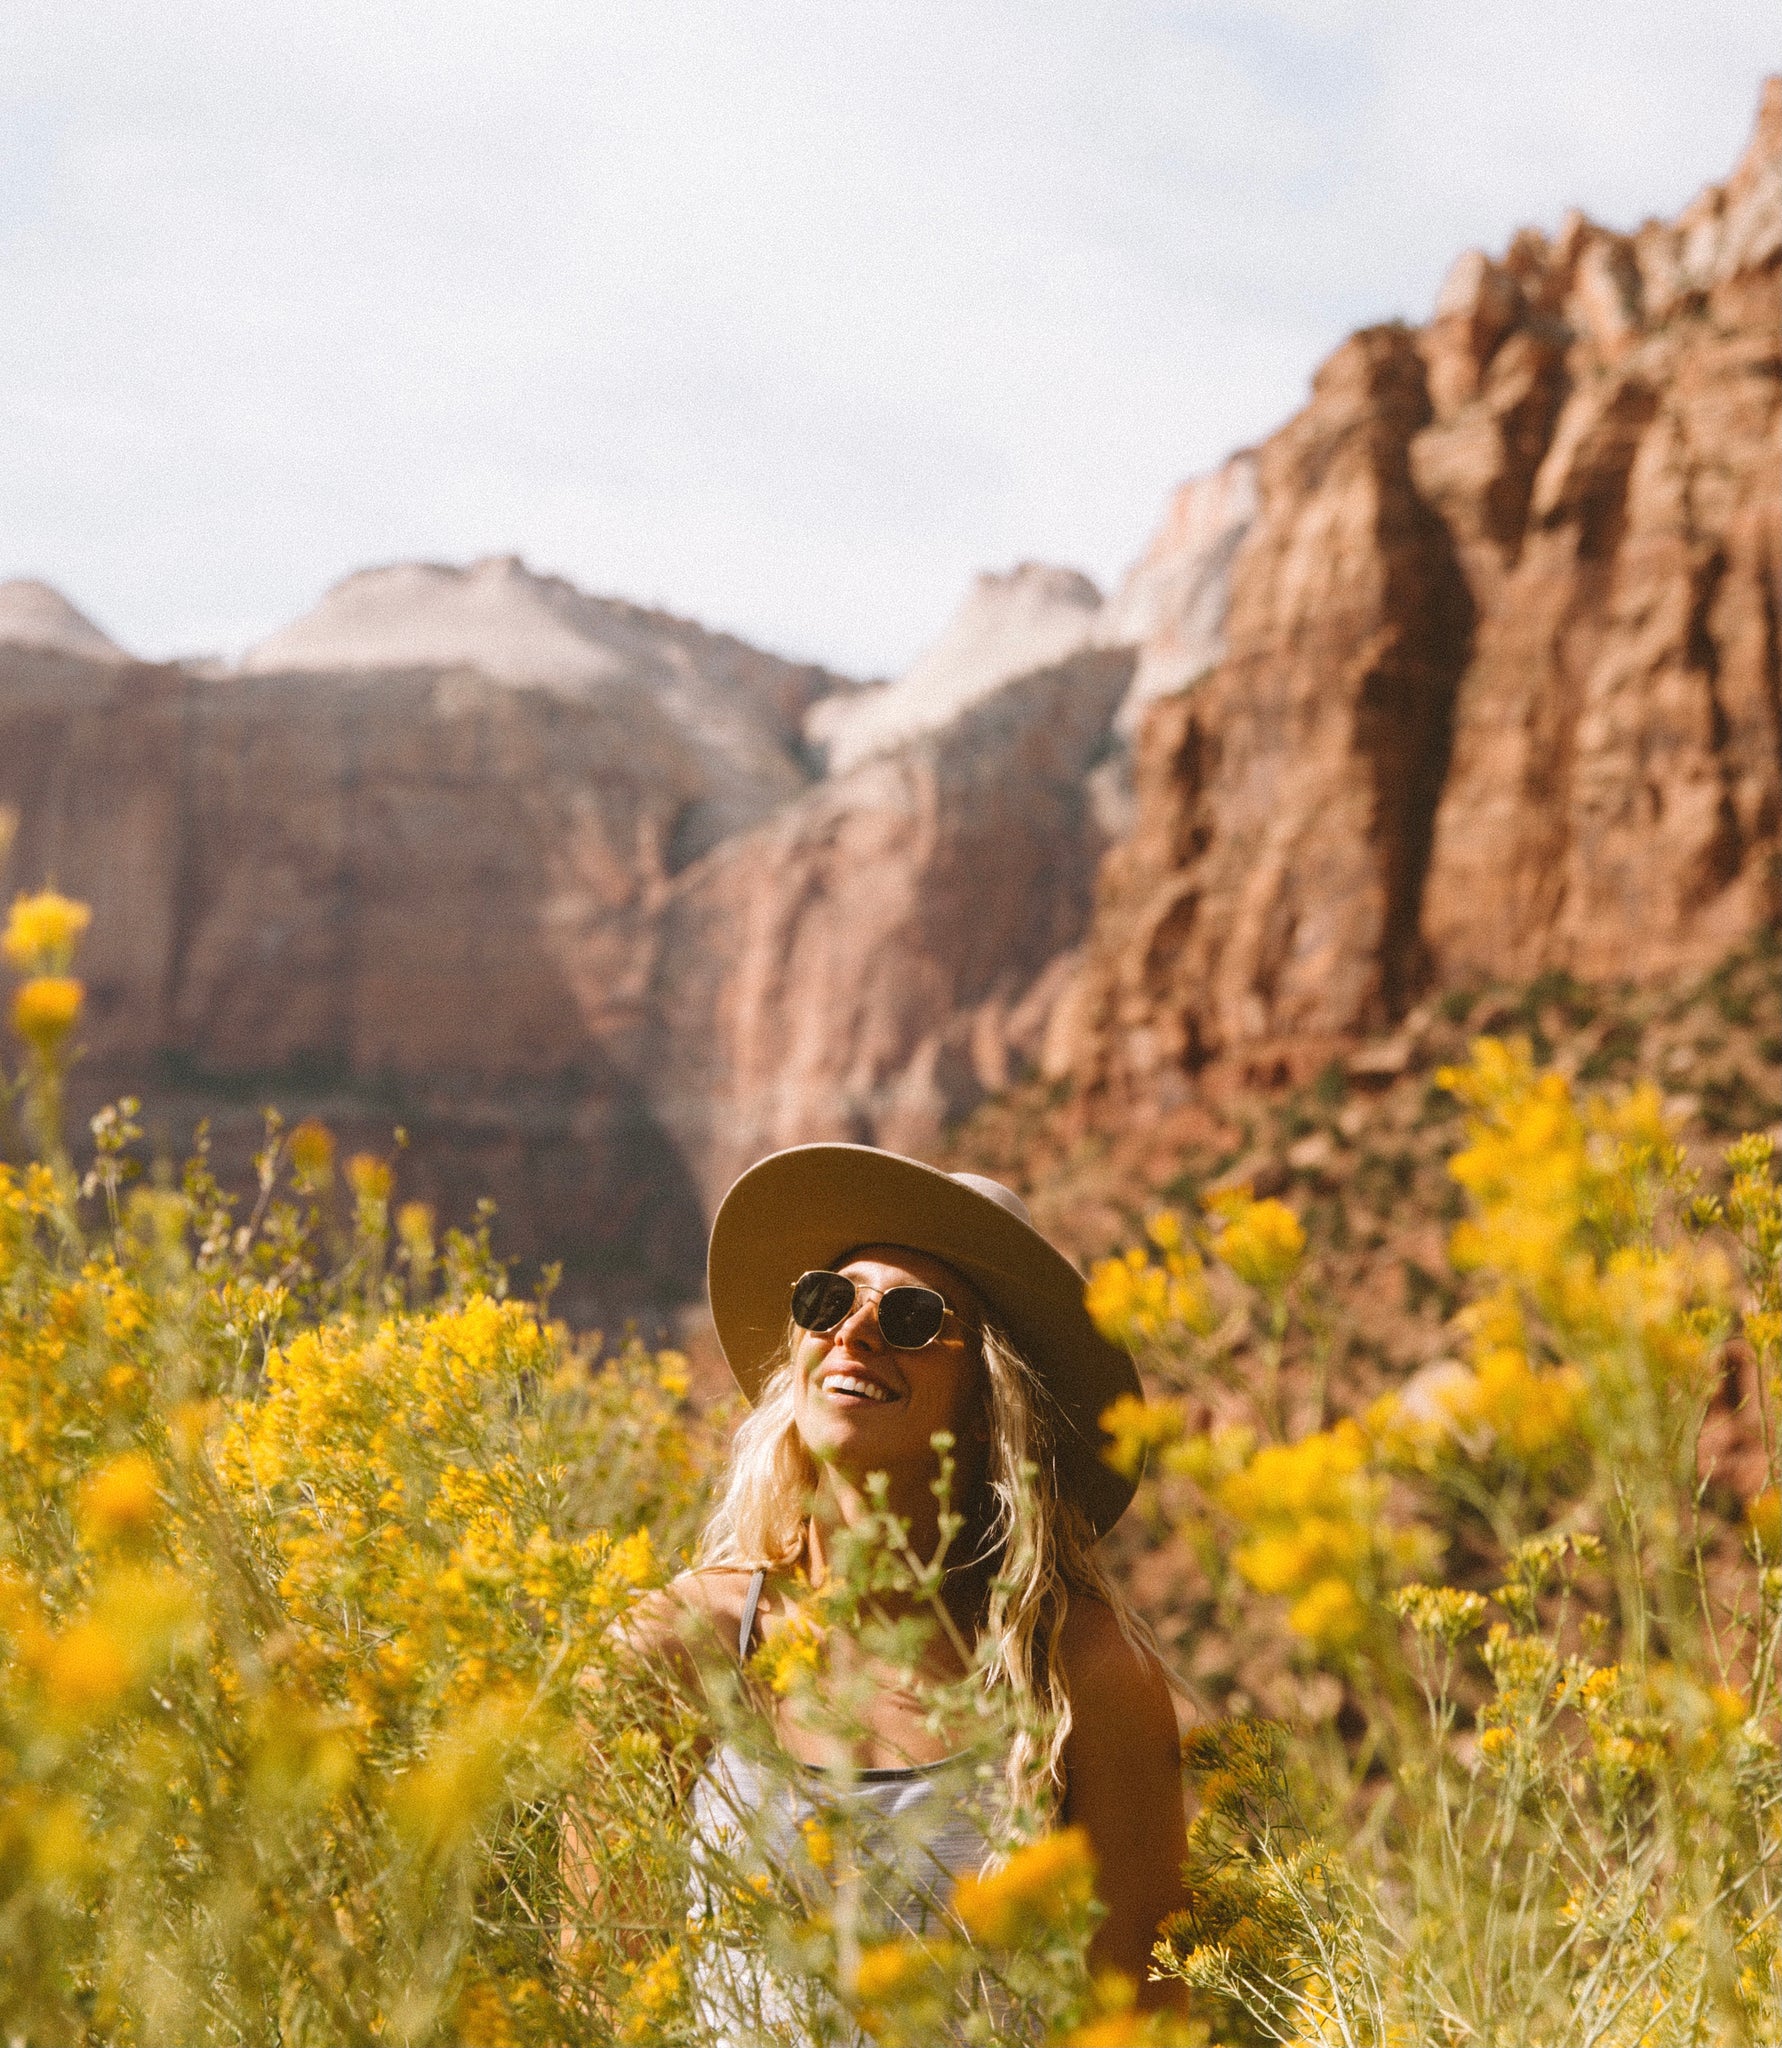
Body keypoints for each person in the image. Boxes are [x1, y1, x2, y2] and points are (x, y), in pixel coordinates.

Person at [618, 1143, 1188, 2030]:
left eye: (914, 1317)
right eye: (827, 1300)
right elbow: (603, 1992)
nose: (854, 1332)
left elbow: (1145, 2022)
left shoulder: (1084, 1675)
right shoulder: (679, 1643)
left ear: (988, 1395)